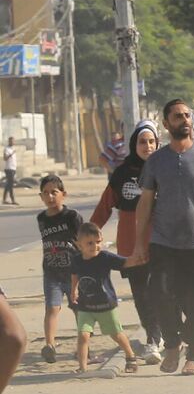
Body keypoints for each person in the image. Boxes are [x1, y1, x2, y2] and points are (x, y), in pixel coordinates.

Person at [131, 99, 194, 376]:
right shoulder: (156, 161)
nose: (184, 120)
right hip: (164, 241)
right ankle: (172, 344)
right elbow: (145, 202)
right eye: (177, 116)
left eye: (187, 115)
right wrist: (140, 243)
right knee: (160, 293)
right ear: (166, 124)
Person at [91, 121, 164, 364]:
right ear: (134, 144)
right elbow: (104, 206)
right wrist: (88, 235)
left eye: (152, 141)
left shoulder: (165, 168)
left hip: (161, 243)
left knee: (160, 291)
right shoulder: (122, 174)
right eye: (143, 142)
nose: (148, 146)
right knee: (141, 294)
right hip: (130, 245)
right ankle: (154, 337)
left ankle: (159, 335)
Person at [68, 222, 139, 375]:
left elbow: (125, 262)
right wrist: (73, 291)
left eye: (98, 242)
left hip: (106, 305)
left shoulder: (105, 257)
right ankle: (82, 367)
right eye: (89, 243)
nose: (95, 246)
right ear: (79, 244)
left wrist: (140, 258)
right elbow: (74, 275)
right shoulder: (76, 260)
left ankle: (130, 356)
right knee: (83, 335)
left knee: (116, 334)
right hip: (85, 306)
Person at [36, 173, 85, 363]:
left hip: (73, 273)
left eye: (54, 192)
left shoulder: (72, 217)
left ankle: (83, 345)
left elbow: (82, 242)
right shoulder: (41, 219)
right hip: (51, 272)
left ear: (63, 194)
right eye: (45, 193)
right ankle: (50, 345)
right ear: (41, 196)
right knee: (51, 308)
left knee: (78, 309)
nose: (50, 197)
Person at [3, 136, 18, 204]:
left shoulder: (13, 148)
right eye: (11, 141)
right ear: (9, 141)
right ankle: (13, 200)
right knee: (10, 184)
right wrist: (11, 154)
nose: (13, 142)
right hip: (9, 168)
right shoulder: (7, 149)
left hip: (13, 168)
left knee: (8, 184)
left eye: (13, 141)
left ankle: (4, 199)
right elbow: (5, 158)